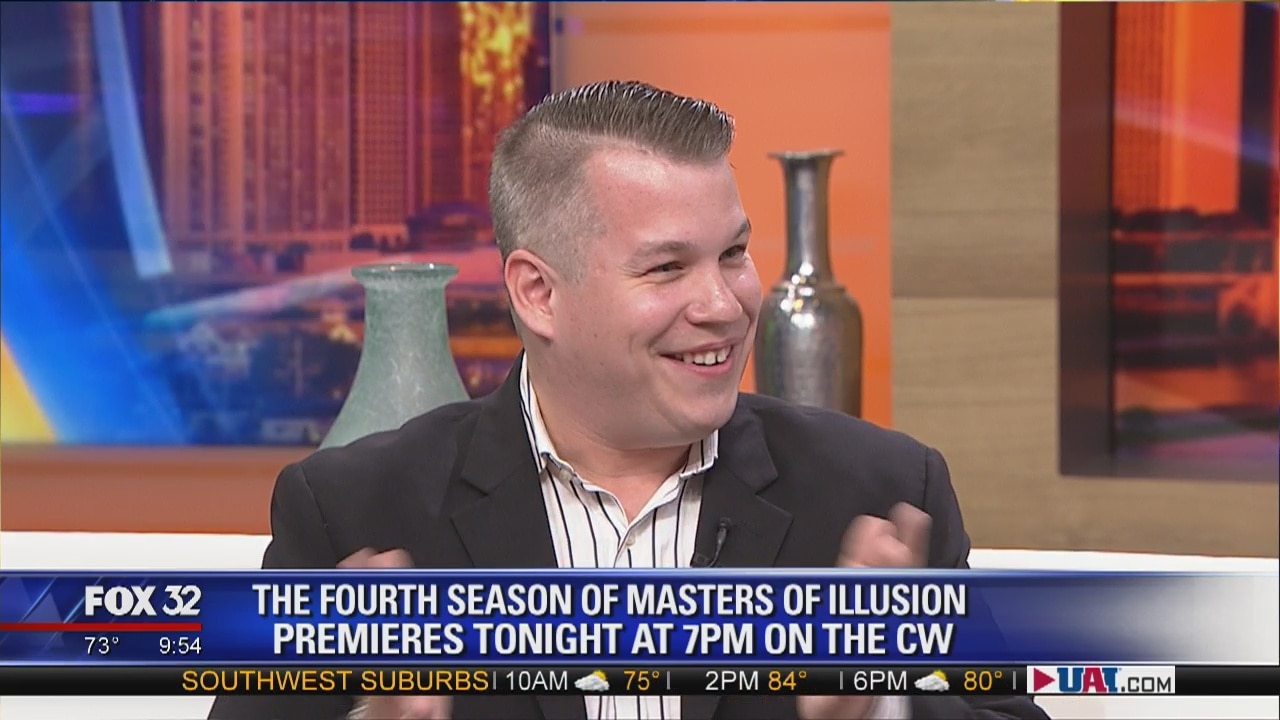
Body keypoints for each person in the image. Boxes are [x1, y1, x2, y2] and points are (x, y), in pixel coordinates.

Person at [210, 80, 1050, 720]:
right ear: (538, 293)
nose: (724, 303)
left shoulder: (880, 496)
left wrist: (882, 708)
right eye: (667, 267)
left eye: (733, 253)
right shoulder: (355, 513)